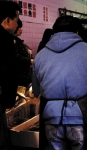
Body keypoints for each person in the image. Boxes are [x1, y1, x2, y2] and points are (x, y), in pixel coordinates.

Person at [32, 15, 87, 150]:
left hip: (50, 117)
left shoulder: (40, 55)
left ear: (54, 31)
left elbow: (36, 91)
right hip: (81, 117)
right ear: (77, 32)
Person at [0, 1, 20, 150]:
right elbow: (8, 72)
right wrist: (8, 100)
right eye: (16, 20)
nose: (17, 23)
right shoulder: (5, 39)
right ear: (7, 20)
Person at [14, 18, 33, 88]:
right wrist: (29, 61)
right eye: (19, 27)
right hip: (19, 77)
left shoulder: (19, 41)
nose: (21, 29)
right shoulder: (13, 42)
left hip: (24, 76)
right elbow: (16, 57)